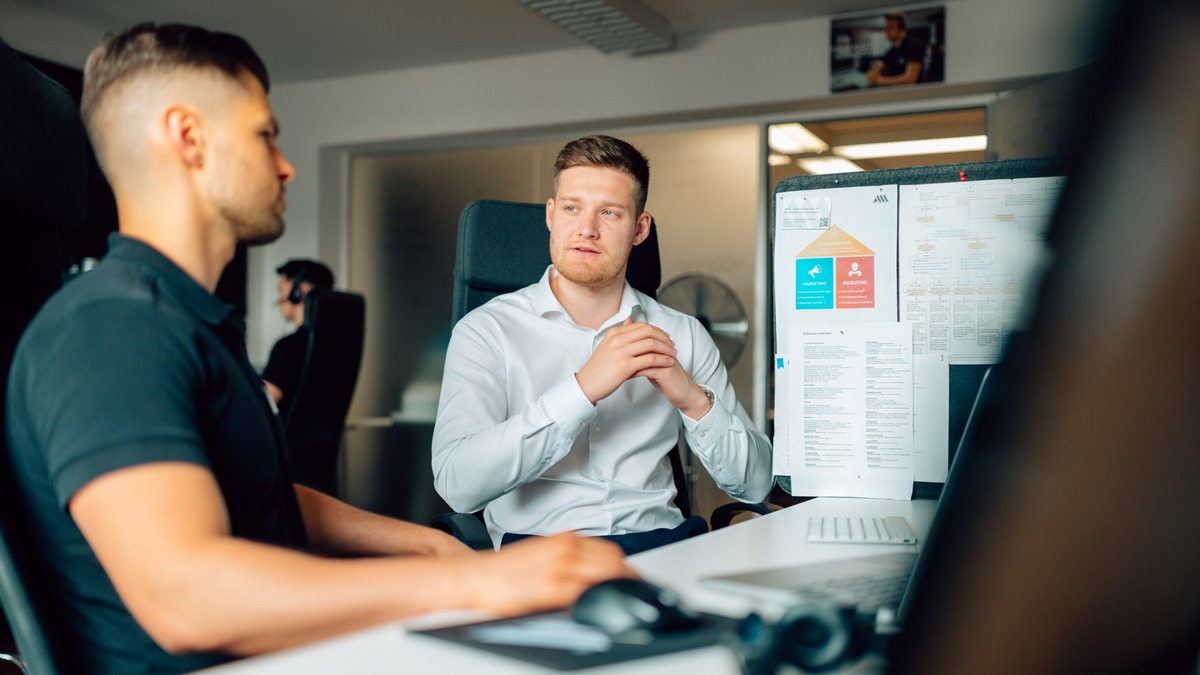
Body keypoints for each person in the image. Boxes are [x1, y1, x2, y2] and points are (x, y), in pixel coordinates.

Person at [4, 23, 627, 675]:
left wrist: (430, 547)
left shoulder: (191, 323)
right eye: (264, 135)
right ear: (188, 137)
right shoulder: (112, 328)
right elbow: (186, 599)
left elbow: (261, 490)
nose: (286, 165)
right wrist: (475, 583)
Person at [432, 135, 772, 555]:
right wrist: (582, 389)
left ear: (639, 229)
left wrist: (693, 401)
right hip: (539, 557)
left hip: (665, 549)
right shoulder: (486, 331)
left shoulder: (683, 334)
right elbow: (458, 486)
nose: (587, 230)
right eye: (572, 208)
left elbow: (756, 484)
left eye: (609, 212)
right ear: (551, 216)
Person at [261, 258, 335, 411]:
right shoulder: (336, 344)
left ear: (297, 293)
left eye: (281, 291)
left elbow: (261, 405)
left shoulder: (289, 347)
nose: (278, 299)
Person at [865, 12, 927, 87]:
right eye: (885, 28)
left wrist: (879, 80)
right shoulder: (893, 50)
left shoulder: (914, 46)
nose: (886, 31)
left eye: (890, 28)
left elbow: (910, 79)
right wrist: (874, 72)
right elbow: (880, 64)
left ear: (901, 28)